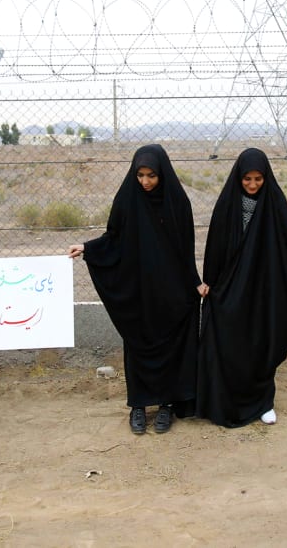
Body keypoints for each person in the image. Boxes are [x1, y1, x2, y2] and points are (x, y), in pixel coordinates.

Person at [68, 144, 202, 435]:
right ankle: (139, 406)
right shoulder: (128, 200)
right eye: (140, 174)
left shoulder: (177, 202)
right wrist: (88, 248)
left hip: (170, 288)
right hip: (138, 287)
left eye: (151, 175)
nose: (145, 181)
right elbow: (114, 237)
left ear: (162, 174)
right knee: (138, 342)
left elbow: (185, 249)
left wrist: (194, 281)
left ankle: (166, 404)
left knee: (171, 343)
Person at [196, 148, 287, 427]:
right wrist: (209, 280)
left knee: (260, 343)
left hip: (263, 288)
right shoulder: (227, 205)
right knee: (228, 345)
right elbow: (215, 247)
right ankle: (225, 401)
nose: (253, 185)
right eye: (247, 180)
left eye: (258, 179)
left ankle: (263, 402)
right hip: (230, 288)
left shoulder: (275, 204)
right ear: (238, 178)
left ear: (266, 177)